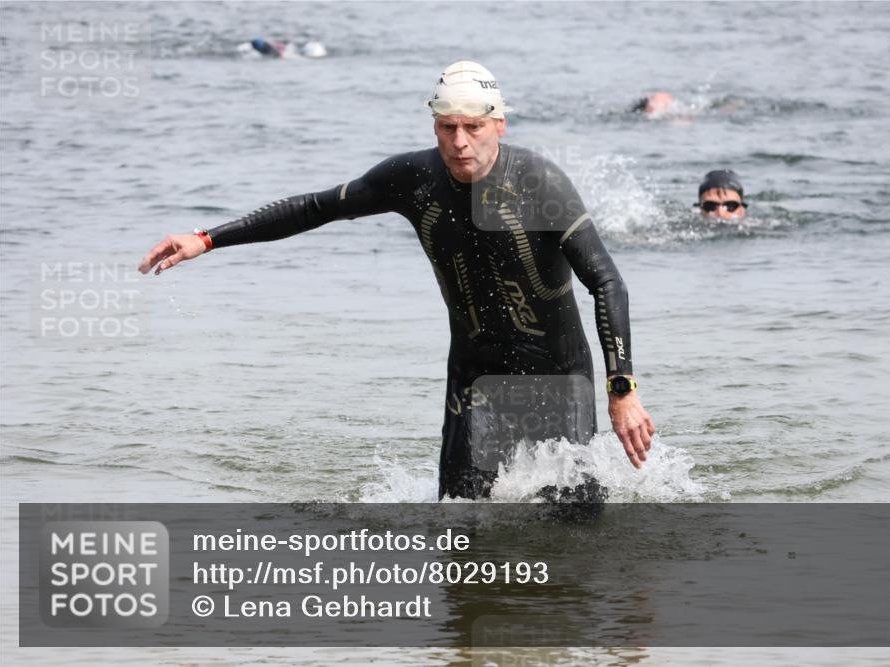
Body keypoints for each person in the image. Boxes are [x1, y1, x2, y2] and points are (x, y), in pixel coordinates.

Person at [138, 61, 656, 500]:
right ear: (433, 126)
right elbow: (313, 209)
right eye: (447, 127)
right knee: (459, 531)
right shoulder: (414, 179)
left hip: (557, 375)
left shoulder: (539, 183)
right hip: (472, 378)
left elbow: (608, 283)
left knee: (576, 533)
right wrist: (207, 238)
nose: (459, 142)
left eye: (472, 128)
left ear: (498, 124)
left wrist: (622, 390)